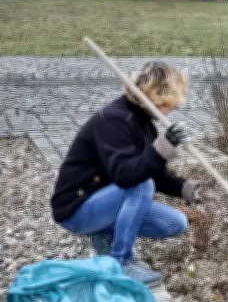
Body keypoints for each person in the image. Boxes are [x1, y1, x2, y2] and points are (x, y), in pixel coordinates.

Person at [50, 60, 201, 287]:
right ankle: (120, 262)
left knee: (175, 223)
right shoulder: (113, 120)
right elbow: (127, 176)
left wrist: (185, 187)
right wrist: (162, 148)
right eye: (173, 99)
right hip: (77, 209)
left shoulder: (143, 123)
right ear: (157, 95)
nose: (177, 106)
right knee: (143, 186)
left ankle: (103, 234)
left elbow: (151, 170)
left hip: (105, 203)